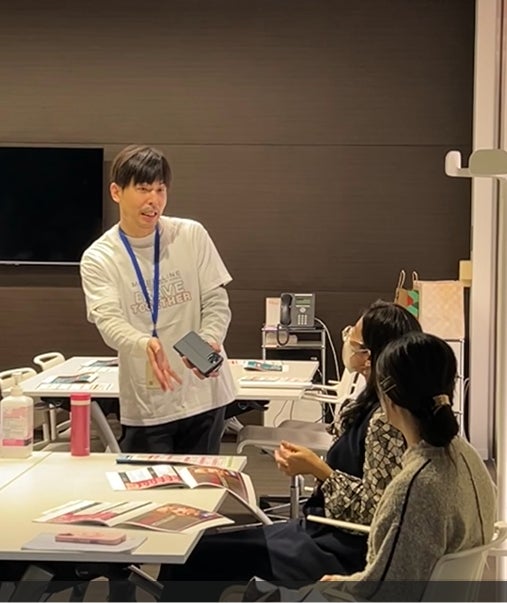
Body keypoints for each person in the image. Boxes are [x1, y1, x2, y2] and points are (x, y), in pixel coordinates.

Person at [157, 301, 422, 600]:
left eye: (353, 338)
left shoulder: (385, 421)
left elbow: (377, 511)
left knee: (198, 556)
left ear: (369, 358)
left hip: (343, 548)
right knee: (199, 550)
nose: (346, 339)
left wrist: (318, 469)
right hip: (322, 529)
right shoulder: (372, 403)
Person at [263, 332, 496, 602]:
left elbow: (386, 592)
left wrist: (339, 587)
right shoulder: (467, 458)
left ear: (389, 400)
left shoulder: (414, 488)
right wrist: (348, 582)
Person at [80, 145, 236, 454]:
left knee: (200, 481)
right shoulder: (99, 257)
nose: (154, 200)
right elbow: (109, 321)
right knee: (149, 484)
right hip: (147, 405)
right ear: (116, 192)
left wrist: (209, 339)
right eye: (143, 189)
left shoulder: (190, 235)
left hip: (204, 395)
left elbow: (216, 300)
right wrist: (143, 343)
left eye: (160, 189)